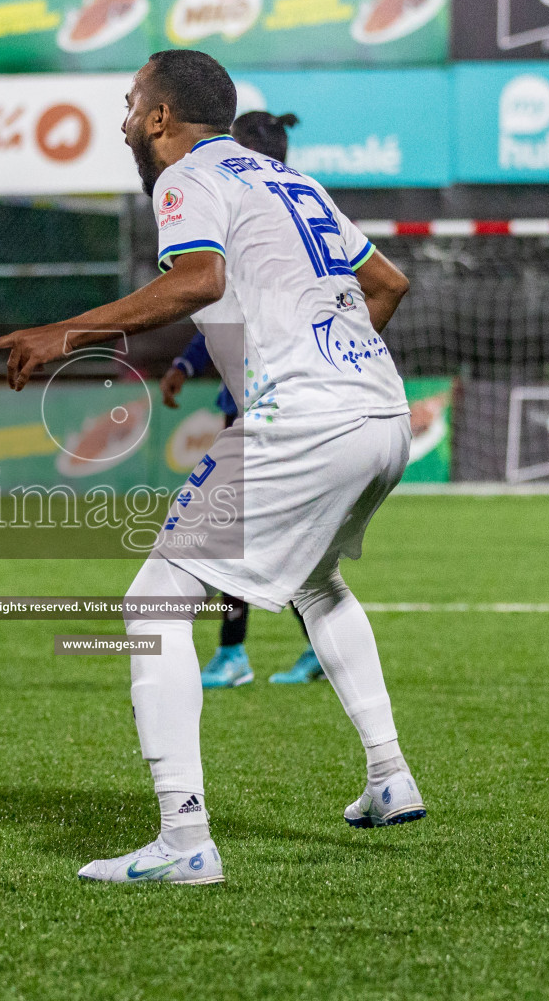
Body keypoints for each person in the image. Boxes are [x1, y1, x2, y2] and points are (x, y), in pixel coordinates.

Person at [0, 50, 419, 885]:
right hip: (381, 412)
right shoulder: (294, 182)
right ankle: (389, 777)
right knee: (316, 583)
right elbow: (388, 283)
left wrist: (65, 333)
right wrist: (331, 368)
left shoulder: (185, 176)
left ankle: (184, 841)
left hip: (308, 421)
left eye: (131, 102)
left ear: (159, 117)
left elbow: (198, 280)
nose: (122, 119)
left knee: (152, 604)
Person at [159, 109, 322, 688]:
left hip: (274, 406)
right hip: (273, 403)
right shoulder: (293, 213)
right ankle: (256, 653)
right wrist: (185, 362)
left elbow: (228, 310)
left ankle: (234, 657)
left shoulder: (252, 221)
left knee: (235, 535)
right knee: (272, 541)